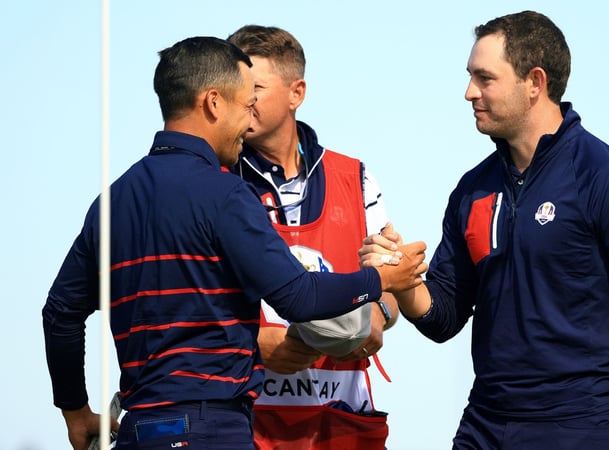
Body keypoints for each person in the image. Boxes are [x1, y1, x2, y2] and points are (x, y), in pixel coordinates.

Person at [42, 36, 426, 450]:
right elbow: (299, 298)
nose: (248, 121)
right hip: (213, 428)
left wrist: (75, 411)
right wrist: (380, 279)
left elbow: (60, 313)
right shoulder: (225, 194)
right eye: (246, 105)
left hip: (139, 429)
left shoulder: (111, 202)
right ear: (213, 103)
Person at [360, 10, 609, 450]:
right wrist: (400, 277)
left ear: (535, 82)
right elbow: (443, 317)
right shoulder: (472, 190)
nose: (469, 92)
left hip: (586, 423)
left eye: (484, 78)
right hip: (486, 424)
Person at [226, 25, 398, 450]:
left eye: (256, 87)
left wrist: (378, 318)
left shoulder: (356, 179)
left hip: (342, 424)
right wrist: (256, 344)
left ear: (296, 93)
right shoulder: (215, 183)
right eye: (235, 87)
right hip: (250, 423)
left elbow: (394, 286)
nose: (242, 100)